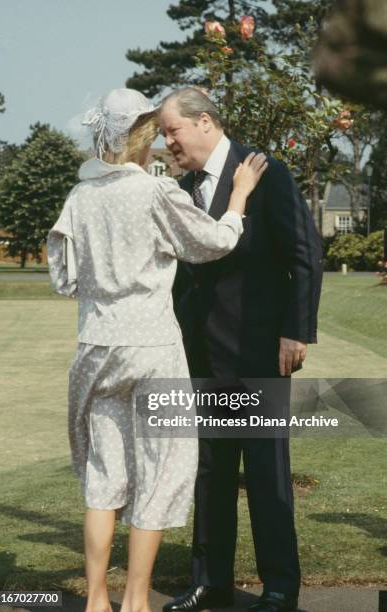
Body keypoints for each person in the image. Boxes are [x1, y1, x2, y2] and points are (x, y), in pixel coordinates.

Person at [47, 88, 267, 612]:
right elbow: (212, 243)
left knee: (104, 478)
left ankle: (97, 600)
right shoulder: (153, 192)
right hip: (151, 348)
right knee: (159, 473)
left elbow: (63, 278)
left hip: (97, 349)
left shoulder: (79, 198)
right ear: (144, 134)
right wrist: (237, 199)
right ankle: (136, 601)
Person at [160, 88, 323, 612]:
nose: (168, 143)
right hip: (200, 353)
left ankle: (279, 586)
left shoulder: (265, 171)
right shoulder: (181, 188)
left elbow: (305, 254)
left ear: (203, 121)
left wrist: (296, 332)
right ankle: (211, 583)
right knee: (210, 467)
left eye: (172, 131)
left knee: (265, 470)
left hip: (260, 351)